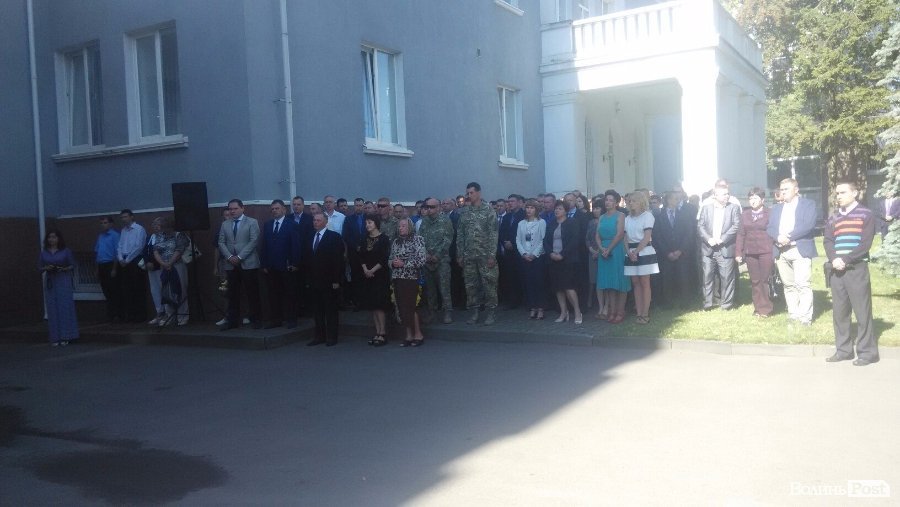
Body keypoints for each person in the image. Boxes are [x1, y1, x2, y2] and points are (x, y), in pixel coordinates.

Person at [824, 181, 879, 366]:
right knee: (840, 313)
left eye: (843, 192)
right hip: (836, 270)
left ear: (855, 193)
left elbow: (865, 243)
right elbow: (828, 241)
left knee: (862, 312)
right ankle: (844, 350)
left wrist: (846, 259)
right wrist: (834, 259)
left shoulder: (866, 214)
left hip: (856, 269)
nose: (838, 196)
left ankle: (867, 352)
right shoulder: (833, 217)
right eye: (837, 193)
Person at [767, 178, 818, 325]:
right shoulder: (776, 208)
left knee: (803, 284)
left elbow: (808, 225)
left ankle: (805, 317)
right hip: (781, 251)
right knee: (788, 285)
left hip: (799, 249)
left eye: (786, 189)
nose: (783, 192)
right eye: (782, 189)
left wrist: (788, 238)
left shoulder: (808, 204)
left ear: (796, 190)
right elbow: (770, 227)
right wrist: (778, 237)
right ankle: (793, 314)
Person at [457, 182, 500, 325]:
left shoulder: (489, 210)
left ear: (479, 193)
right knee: (471, 286)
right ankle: (474, 312)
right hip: (469, 256)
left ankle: (491, 312)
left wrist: (491, 255)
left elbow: (493, 234)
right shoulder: (465, 212)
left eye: (472, 193)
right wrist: (460, 254)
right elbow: (460, 235)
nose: (469, 195)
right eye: (468, 193)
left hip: (485, 255)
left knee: (489, 284)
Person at [217, 199, 262, 330]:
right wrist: (230, 256)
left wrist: (240, 257)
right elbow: (221, 242)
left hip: (248, 263)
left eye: (235, 208)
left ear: (242, 208)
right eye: (230, 209)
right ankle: (232, 321)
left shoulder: (252, 222)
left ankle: (256, 319)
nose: (232, 211)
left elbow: (254, 241)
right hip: (231, 264)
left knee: (252, 292)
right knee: (233, 294)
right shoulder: (225, 224)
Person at [697, 184, 741, 311]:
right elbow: (700, 226)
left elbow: (736, 225)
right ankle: (707, 304)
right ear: (715, 195)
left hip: (725, 247)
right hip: (708, 248)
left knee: (727, 278)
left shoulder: (734, 208)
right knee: (707, 277)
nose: (727, 196)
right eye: (724, 194)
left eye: (728, 193)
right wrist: (708, 239)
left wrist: (723, 239)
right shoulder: (706, 208)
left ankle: (726, 304)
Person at [304, 212, 345, 346]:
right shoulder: (310, 236)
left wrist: (336, 280)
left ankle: (332, 337)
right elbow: (307, 259)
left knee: (330, 310)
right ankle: (319, 336)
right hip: (314, 280)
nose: (315, 222)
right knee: (317, 311)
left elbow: (338, 260)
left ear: (325, 222)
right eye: (314, 220)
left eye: (318, 220)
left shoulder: (334, 237)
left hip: (329, 280)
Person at [653, 190, 697, 310]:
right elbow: (657, 236)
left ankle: (685, 302)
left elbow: (689, 233)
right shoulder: (659, 216)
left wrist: (680, 250)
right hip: (666, 253)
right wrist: (667, 252)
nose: (677, 201)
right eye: (674, 198)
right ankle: (668, 302)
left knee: (683, 277)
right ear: (668, 200)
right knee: (667, 278)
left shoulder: (684, 214)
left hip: (681, 252)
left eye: (678, 198)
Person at [735, 187, 775, 318]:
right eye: (750, 198)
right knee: (755, 281)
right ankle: (757, 308)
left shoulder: (770, 213)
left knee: (764, 279)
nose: (752, 201)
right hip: (750, 252)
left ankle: (766, 308)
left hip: (766, 251)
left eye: (756, 198)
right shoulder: (744, 214)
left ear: (762, 200)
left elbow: (774, 231)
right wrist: (738, 252)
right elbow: (741, 234)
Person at [261, 199, 300, 329]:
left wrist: (294, 263)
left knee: (290, 293)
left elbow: (296, 245)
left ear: (284, 209)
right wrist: (264, 264)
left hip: (286, 266)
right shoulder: (268, 224)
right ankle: (276, 320)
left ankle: (291, 319)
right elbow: (264, 245)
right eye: (272, 209)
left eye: (277, 208)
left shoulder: (292, 224)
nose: (274, 211)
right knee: (273, 294)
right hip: (271, 266)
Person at [544, 200, 583, 324]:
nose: (557, 210)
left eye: (560, 209)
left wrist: (562, 254)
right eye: (556, 208)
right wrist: (551, 253)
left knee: (569, 287)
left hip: (568, 260)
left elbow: (574, 241)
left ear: (566, 211)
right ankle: (563, 312)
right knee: (558, 288)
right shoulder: (551, 223)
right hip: (553, 259)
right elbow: (545, 241)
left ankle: (577, 312)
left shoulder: (572, 222)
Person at [356, 213, 392, 345]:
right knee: (372, 305)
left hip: (380, 275)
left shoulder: (384, 239)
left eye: (370, 222)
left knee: (379, 305)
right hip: (367, 275)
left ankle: (383, 333)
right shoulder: (364, 238)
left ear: (376, 223)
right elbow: (361, 256)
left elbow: (384, 258)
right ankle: (377, 332)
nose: (367, 225)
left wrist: (372, 270)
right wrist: (366, 269)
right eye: (366, 223)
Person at [595, 190, 631, 323]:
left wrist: (609, 249)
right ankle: (612, 311)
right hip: (603, 250)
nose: (608, 202)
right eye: (606, 200)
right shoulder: (602, 217)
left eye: (611, 200)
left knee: (620, 281)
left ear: (616, 203)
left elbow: (620, 234)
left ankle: (620, 312)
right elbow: (597, 235)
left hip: (616, 250)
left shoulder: (621, 215)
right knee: (609, 283)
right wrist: (601, 248)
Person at [623, 192, 659, 324]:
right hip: (630, 251)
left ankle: (645, 313)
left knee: (645, 283)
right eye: (630, 201)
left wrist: (636, 252)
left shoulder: (647, 216)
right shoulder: (627, 218)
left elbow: (647, 236)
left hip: (644, 251)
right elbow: (625, 237)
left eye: (634, 201)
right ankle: (638, 312)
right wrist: (629, 252)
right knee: (635, 283)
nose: (630, 203)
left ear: (641, 202)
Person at [390, 218, 427, 346]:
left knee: (411, 307)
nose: (400, 228)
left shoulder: (418, 239)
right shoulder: (396, 241)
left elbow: (421, 260)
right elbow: (390, 259)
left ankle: (418, 334)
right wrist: (393, 263)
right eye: (399, 226)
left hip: (411, 278)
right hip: (397, 278)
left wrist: (404, 263)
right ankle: (408, 335)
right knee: (401, 307)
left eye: (403, 226)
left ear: (410, 227)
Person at [39, 230, 79, 346]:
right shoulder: (44, 253)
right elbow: (39, 267)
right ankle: (55, 337)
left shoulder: (65, 251)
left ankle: (67, 335)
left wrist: (64, 268)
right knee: (52, 308)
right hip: (51, 281)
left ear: (58, 239)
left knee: (64, 307)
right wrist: (46, 268)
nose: (51, 239)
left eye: (54, 237)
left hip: (63, 279)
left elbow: (73, 265)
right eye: (49, 237)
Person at [418, 197, 454, 324]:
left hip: (442, 261)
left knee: (444, 288)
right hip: (427, 261)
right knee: (430, 289)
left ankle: (447, 312)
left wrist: (437, 255)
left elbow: (448, 240)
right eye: (427, 207)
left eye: (432, 207)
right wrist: (426, 254)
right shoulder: (424, 222)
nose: (429, 209)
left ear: (438, 208)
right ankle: (432, 312)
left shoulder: (445, 221)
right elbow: (420, 239)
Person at [153, 217, 190, 326]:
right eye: (162, 227)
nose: (163, 229)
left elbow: (179, 250)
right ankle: (170, 316)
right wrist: (163, 264)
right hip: (164, 267)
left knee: (180, 290)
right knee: (165, 291)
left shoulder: (179, 235)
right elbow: (155, 251)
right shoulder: (159, 236)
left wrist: (170, 263)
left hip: (177, 266)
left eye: (165, 227)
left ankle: (182, 316)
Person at [516, 199, 547, 320]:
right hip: (525, 256)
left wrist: (534, 254)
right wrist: (524, 253)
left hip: (538, 257)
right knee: (529, 283)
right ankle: (532, 306)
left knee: (539, 282)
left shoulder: (541, 222)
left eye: (532, 208)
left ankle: (541, 307)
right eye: (527, 207)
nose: (529, 210)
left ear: (536, 209)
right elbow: (518, 240)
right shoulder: (521, 223)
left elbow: (543, 240)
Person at [116, 209, 148, 323]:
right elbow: (120, 246)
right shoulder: (123, 230)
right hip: (124, 261)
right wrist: (120, 258)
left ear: (132, 217)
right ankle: (130, 315)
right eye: (122, 217)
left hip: (135, 260)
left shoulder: (139, 229)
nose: (123, 219)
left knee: (137, 287)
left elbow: (139, 246)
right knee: (126, 288)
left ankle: (140, 315)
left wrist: (128, 259)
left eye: (125, 217)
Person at [94, 215, 122, 323]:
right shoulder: (100, 236)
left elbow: (117, 253)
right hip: (101, 265)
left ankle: (117, 314)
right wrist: (97, 269)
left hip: (110, 264)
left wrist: (114, 269)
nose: (103, 225)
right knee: (105, 290)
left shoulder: (115, 235)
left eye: (105, 223)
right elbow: (97, 253)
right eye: (101, 223)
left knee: (113, 290)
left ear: (111, 224)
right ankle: (111, 314)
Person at [144, 217, 166, 325]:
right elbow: (145, 250)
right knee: (155, 291)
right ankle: (159, 313)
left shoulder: (165, 237)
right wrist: (147, 262)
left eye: (158, 224)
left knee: (164, 289)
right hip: (151, 269)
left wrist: (155, 263)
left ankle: (167, 314)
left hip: (161, 267)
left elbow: (164, 252)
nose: (156, 227)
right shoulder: (150, 237)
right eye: (154, 225)